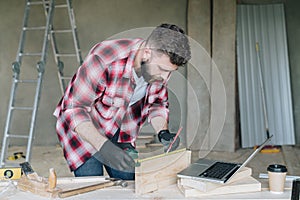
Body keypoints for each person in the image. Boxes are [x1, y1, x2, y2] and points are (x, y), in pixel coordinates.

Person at [53, 23, 191, 180]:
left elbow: (157, 104)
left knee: (129, 184)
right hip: (84, 130)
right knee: (91, 187)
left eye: (170, 72)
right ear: (147, 53)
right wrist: (104, 147)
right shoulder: (104, 58)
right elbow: (73, 109)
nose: (165, 78)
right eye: (162, 69)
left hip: (120, 131)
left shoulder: (159, 69)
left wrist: (163, 132)